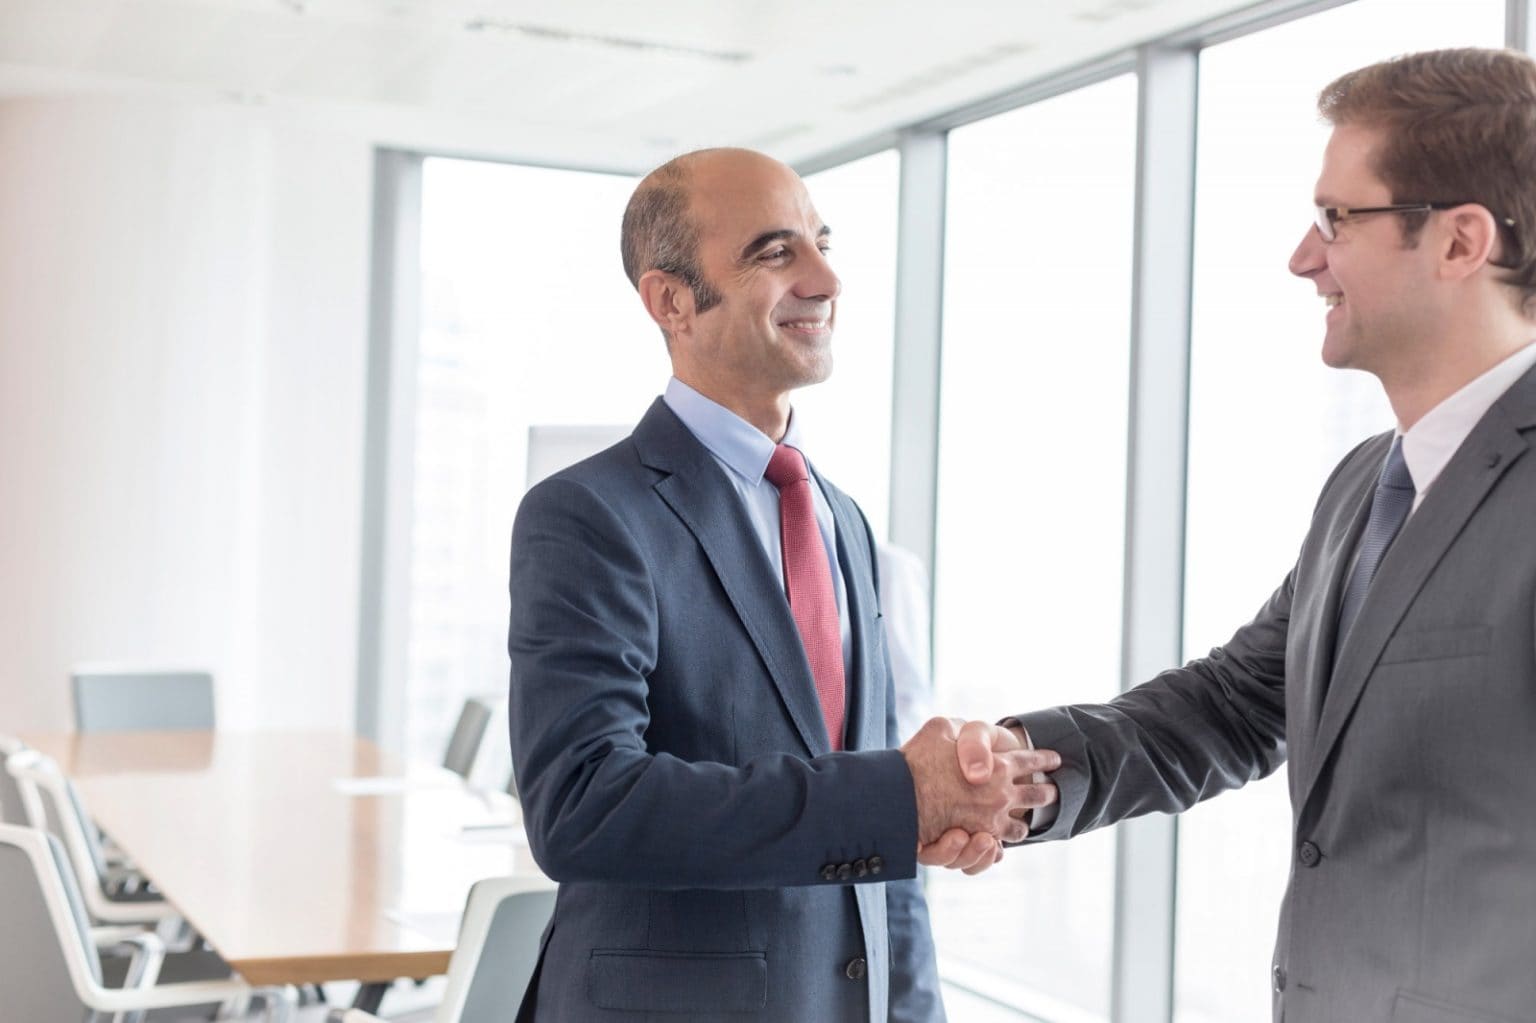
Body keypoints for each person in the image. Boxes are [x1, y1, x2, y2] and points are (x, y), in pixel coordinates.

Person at [935, 46, 1536, 1021]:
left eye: (1337, 219)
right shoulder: (1363, 485)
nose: (1304, 257)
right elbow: (1236, 703)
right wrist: (1013, 773)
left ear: (1460, 241)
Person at [507, 147, 1059, 1023]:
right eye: (775, 252)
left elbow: (882, 851)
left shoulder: (843, 521)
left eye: (822, 244)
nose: (826, 279)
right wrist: (898, 796)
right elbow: (583, 805)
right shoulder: (588, 514)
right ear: (671, 301)